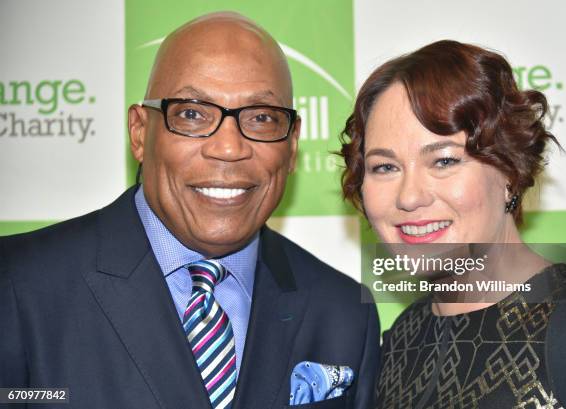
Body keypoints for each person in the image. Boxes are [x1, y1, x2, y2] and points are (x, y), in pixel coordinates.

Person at [0, 12, 380, 409]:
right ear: (140, 133)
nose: (229, 148)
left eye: (262, 118)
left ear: (292, 145)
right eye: (192, 114)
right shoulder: (17, 284)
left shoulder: (344, 314)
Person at [340, 40, 566, 408]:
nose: (409, 196)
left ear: (510, 171)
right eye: (385, 167)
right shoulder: (401, 341)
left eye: (444, 161)